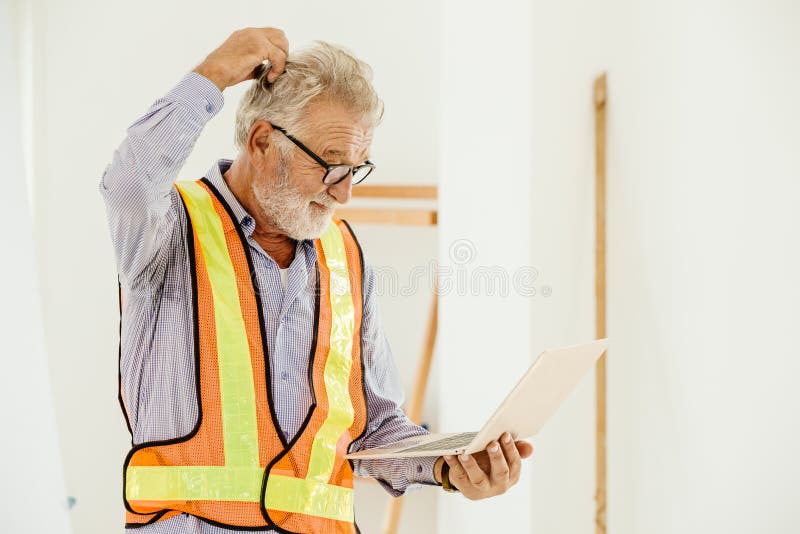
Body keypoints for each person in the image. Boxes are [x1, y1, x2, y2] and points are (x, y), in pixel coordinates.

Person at [100, 27, 533, 533]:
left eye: (356, 169)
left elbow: (372, 427)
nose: (344, 193)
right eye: (331, 166)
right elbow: (128, 184)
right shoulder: (170, 231)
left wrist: (448, 467)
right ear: (263, 141)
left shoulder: (344, 254)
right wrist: (213, 75)